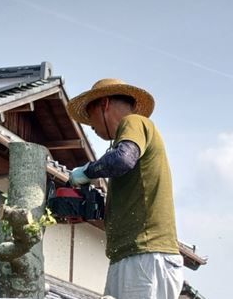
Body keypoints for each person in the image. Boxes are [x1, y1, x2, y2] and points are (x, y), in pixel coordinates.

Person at [67, 78, 184, 299]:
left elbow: (122, 160)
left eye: (89, 117)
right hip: (133, 257)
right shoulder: (130, 136)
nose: (90, 127)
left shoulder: (134, 122)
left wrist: (87, 171)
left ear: (105, 104)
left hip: (145, 256)